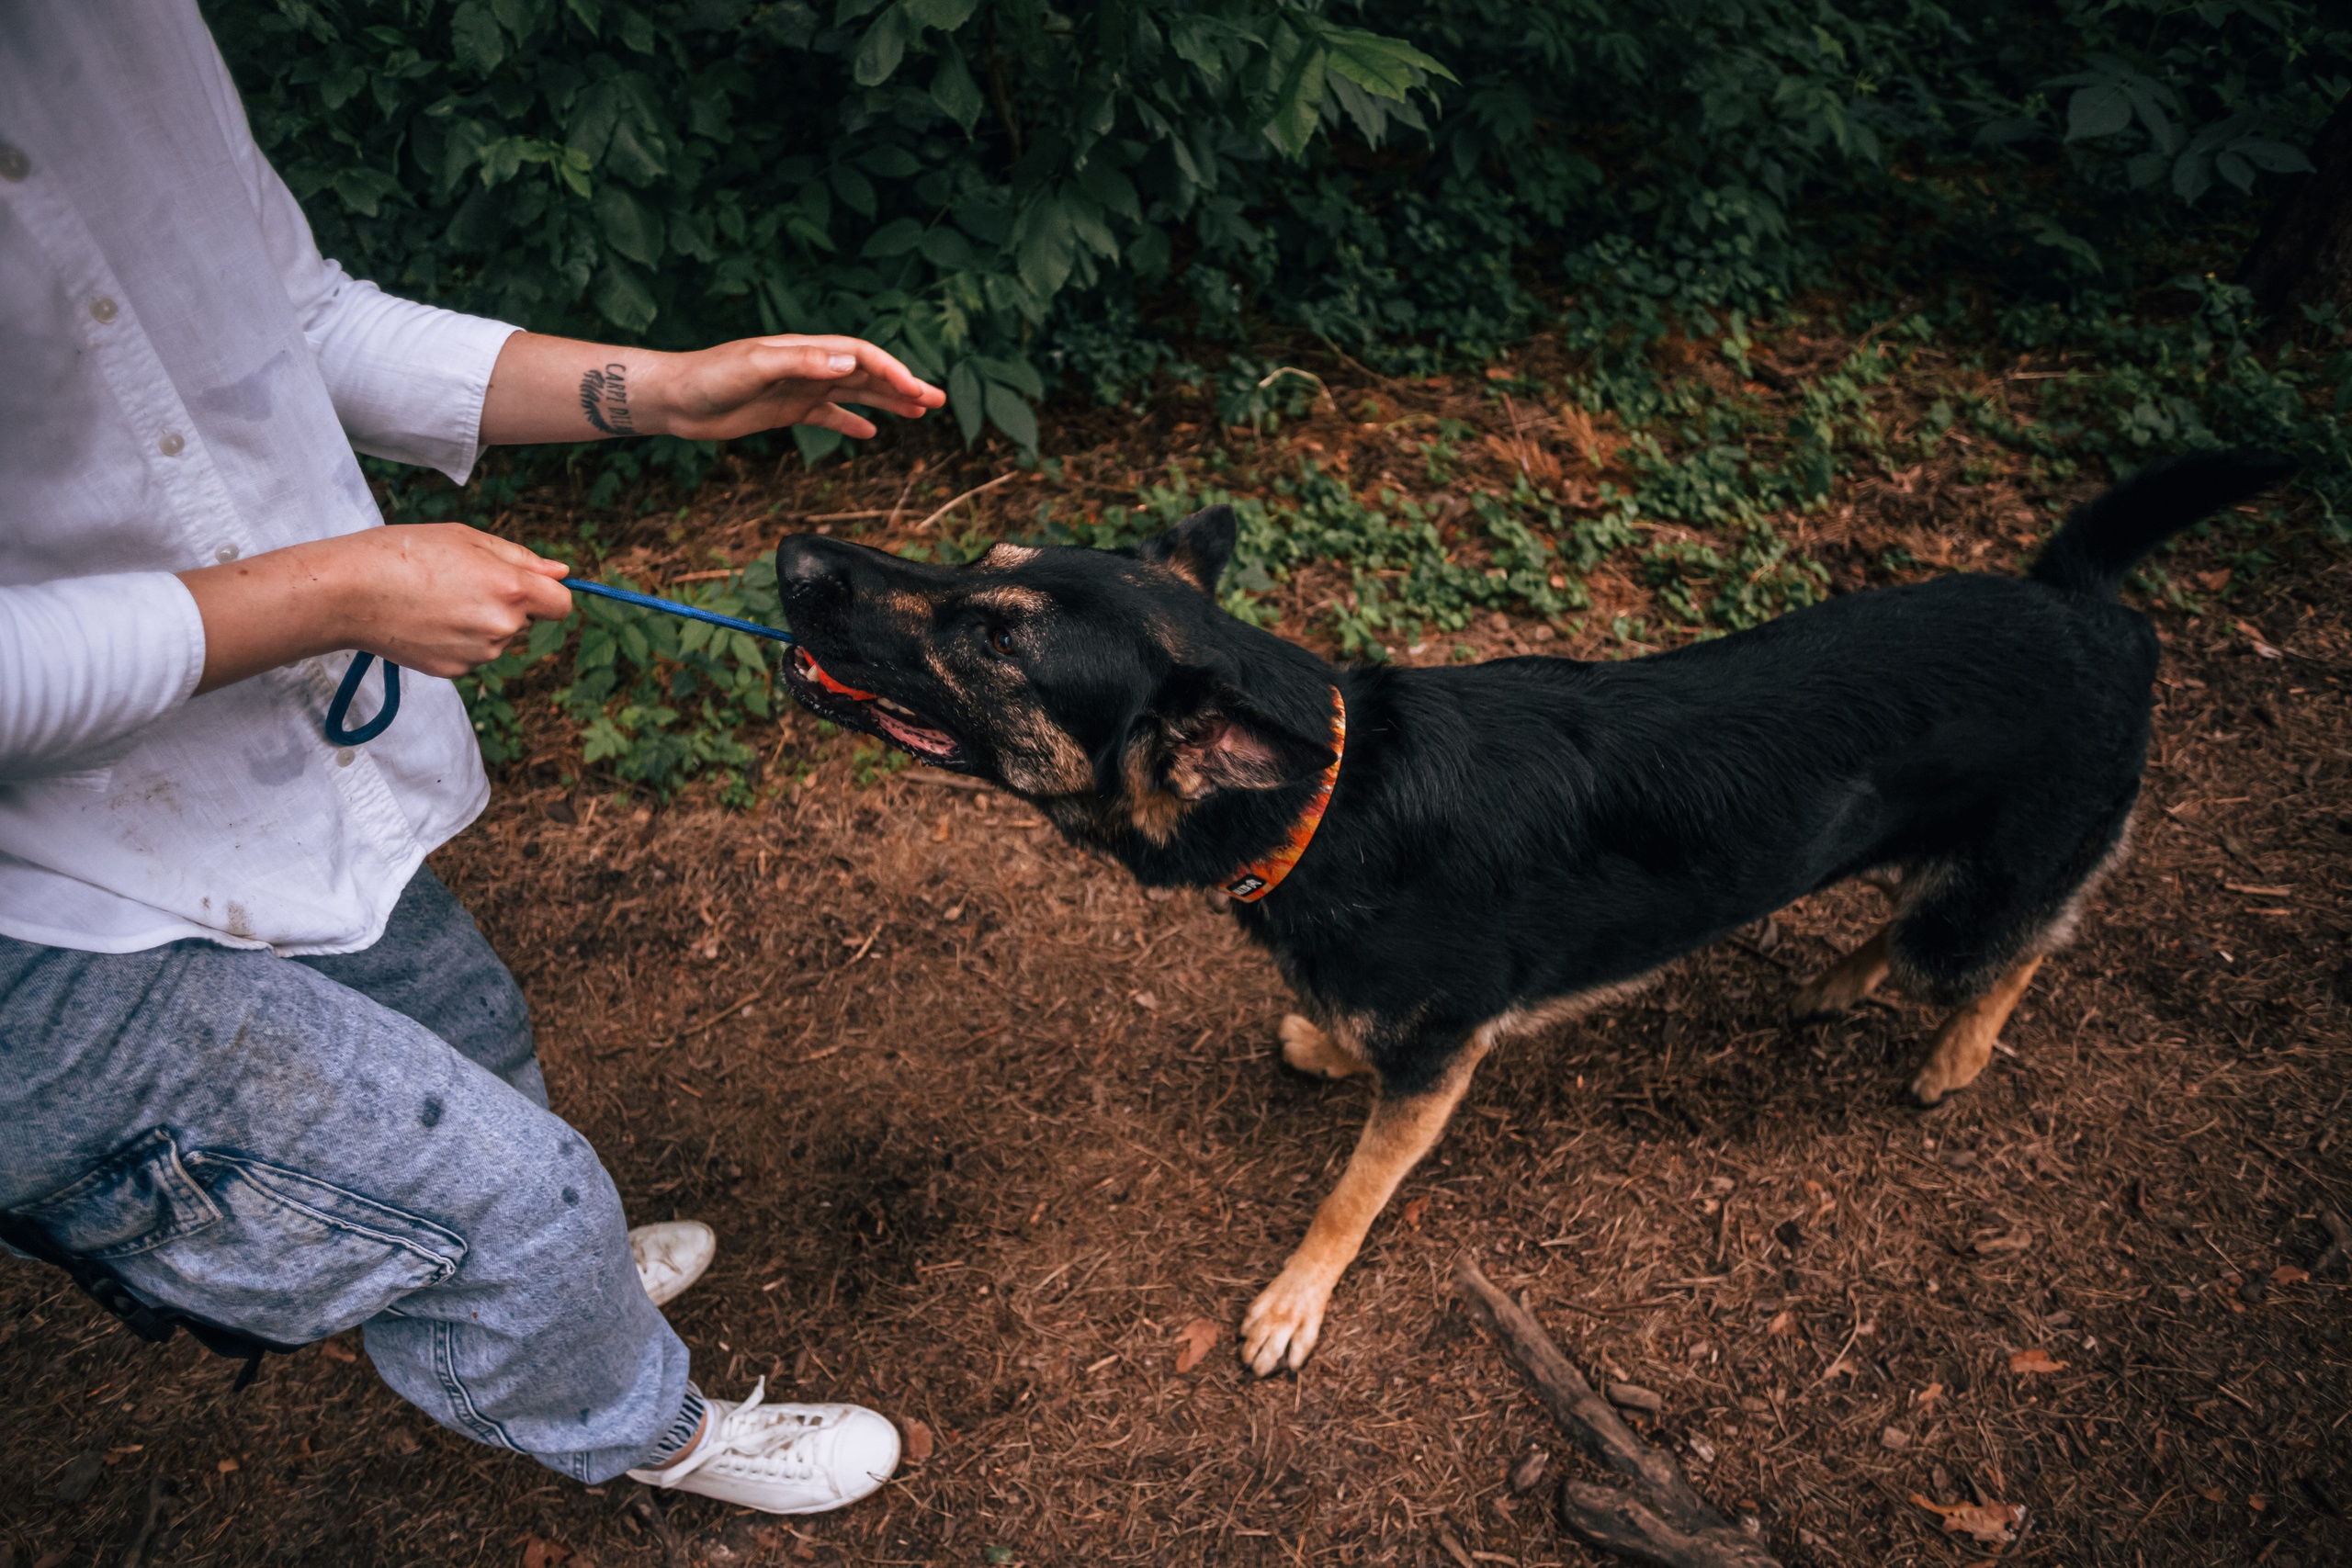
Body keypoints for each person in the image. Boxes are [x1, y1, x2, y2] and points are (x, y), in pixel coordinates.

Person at [0, 1, 944, 1516]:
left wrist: (659, 391)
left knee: (467, 1029)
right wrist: (336, 591)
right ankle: (647, 1428)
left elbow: (291, 316)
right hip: (34, 916)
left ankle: (549, 1289)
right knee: (517, 1188)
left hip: (258, 777)